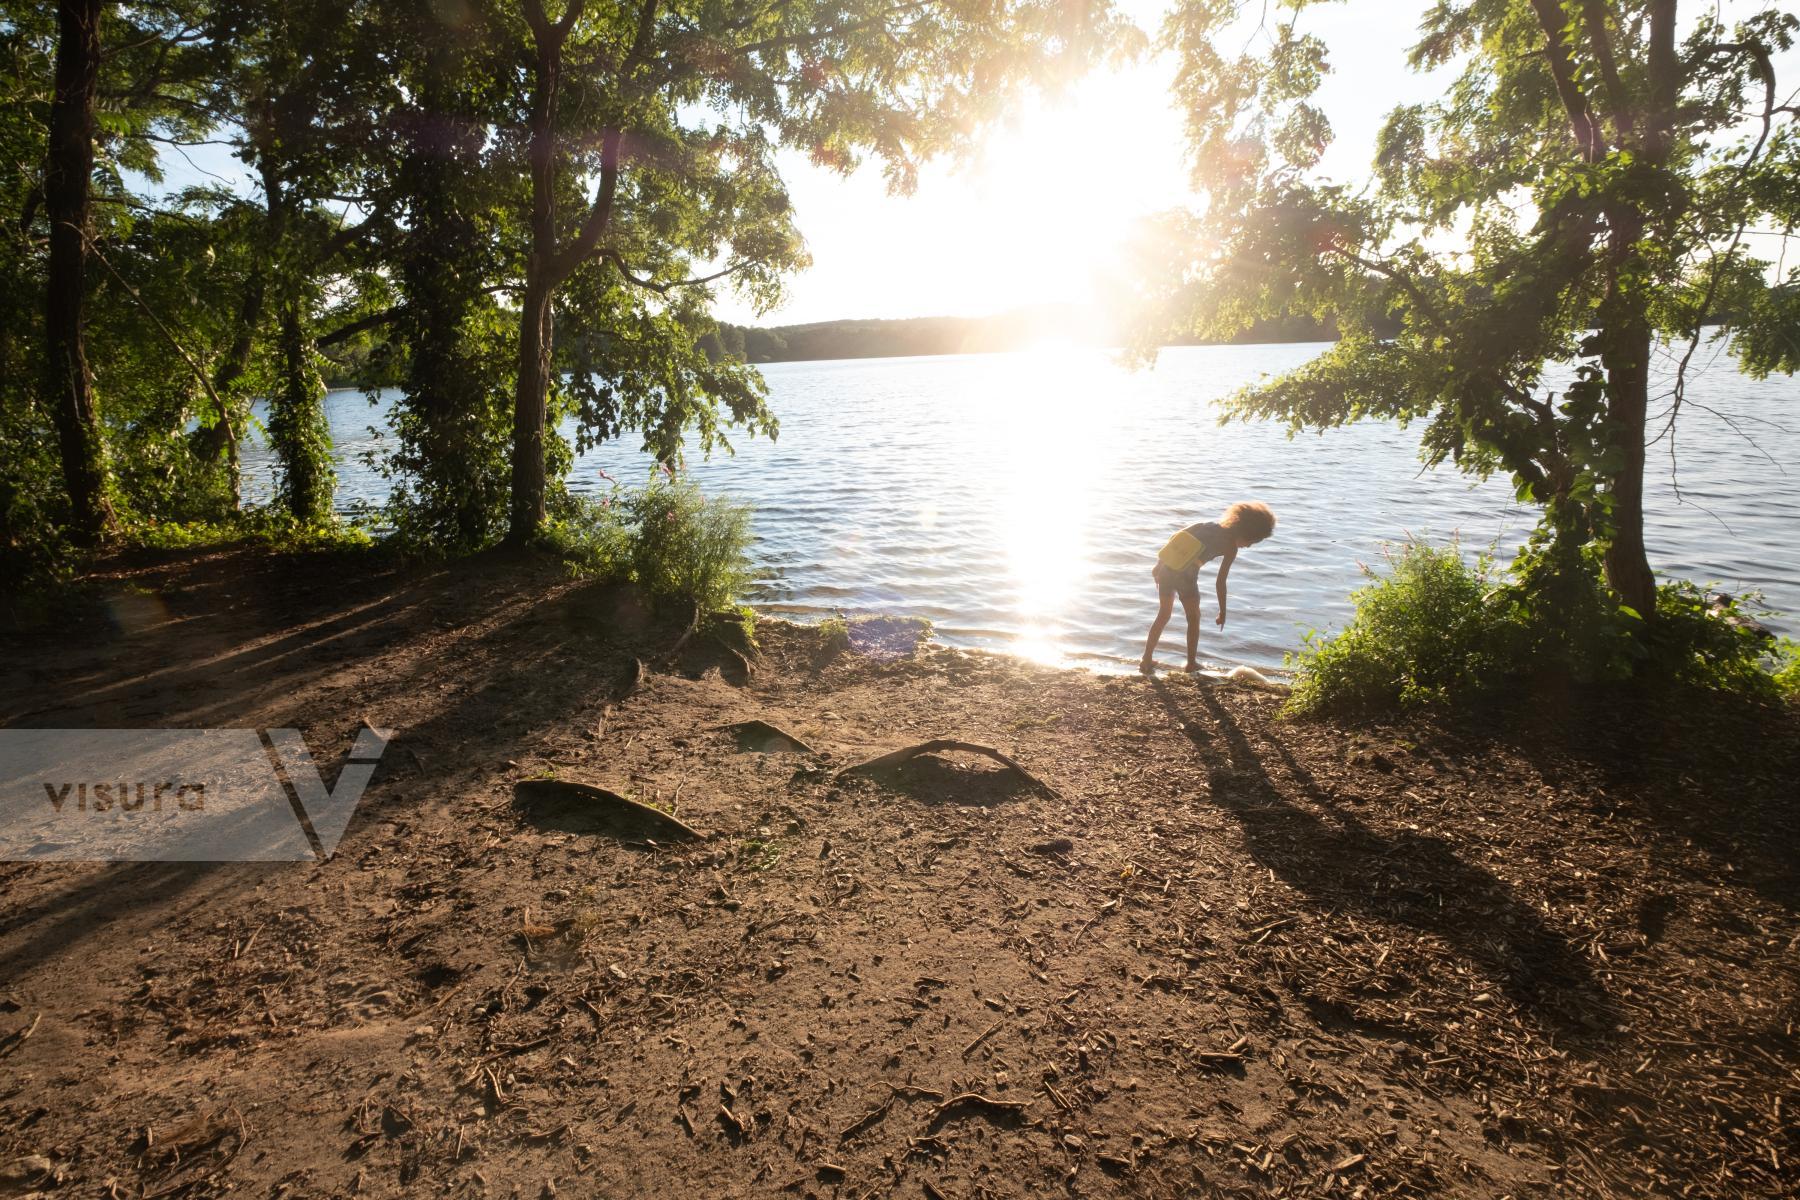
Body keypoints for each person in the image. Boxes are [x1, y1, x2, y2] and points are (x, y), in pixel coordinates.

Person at [1139, 501, 1277, 674]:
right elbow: (1220, 582)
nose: (1248, 546)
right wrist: (1223, 611)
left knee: (1163, 615)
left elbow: (1177, 538)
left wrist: (1159, 564)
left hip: (1167, 570)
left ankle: (1146, 660)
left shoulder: (1207, 525)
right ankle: (1191, 663)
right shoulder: (1231, 547)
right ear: (1245, 532)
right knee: (1194, 618)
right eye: (1251, 541)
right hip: (1186, 577)